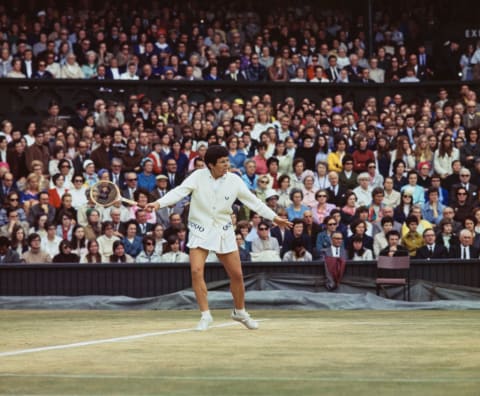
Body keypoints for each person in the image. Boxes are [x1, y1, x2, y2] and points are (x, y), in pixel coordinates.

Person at [148, 145, 292, 331]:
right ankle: (205, 315)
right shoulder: (197, 176)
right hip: (200, 229)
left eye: (227, 161)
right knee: (196, 271)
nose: (227, 165)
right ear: (210, 165)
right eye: (222, 162)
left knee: (237, 275)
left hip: (223, 230)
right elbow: (179, 192)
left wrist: (274, 217)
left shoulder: (234, 180)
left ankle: (239, 312)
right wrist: (158, 203)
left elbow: (253, 201)